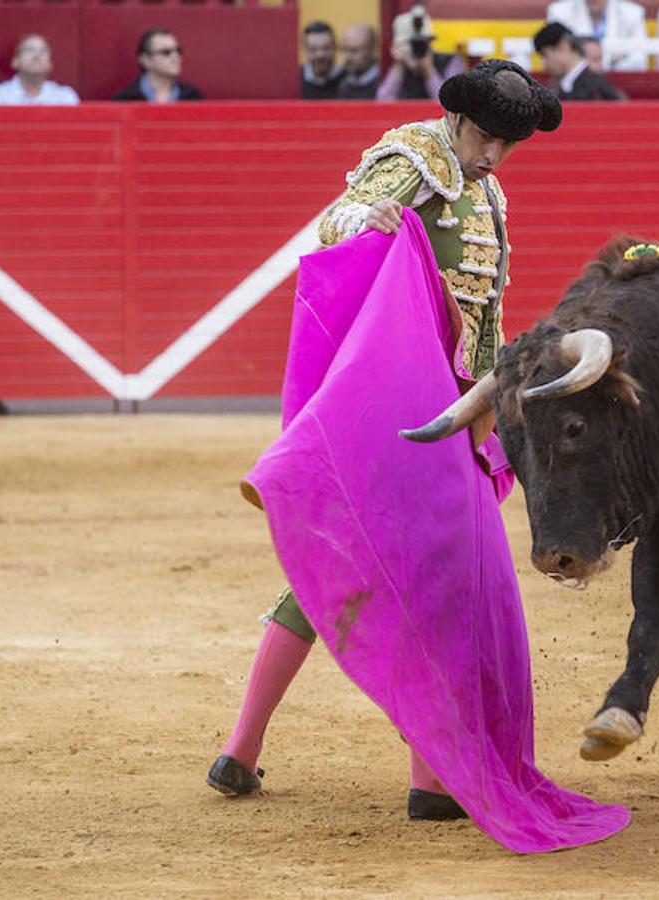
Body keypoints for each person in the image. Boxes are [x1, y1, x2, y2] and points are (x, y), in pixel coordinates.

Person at [208, 59, 563, 822]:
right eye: (486, 137)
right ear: (459, 120)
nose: (495, 155)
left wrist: (487, 400)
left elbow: (489, 307)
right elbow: (339, 225)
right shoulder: (415, 158)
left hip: (450, 402)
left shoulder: (488, 190)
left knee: (366, 564)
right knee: (434, 575)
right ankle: (427, 784)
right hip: (398, 399)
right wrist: (386, 238)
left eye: (509, 143)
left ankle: (241, 750)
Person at [377, 5, 466, 102]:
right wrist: (399, 66)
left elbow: (452, 104)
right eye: (411, 43)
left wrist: (429, 71)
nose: (416, 48)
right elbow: (382, 102)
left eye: (421, 43)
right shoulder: (398, 67)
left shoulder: (451, 61)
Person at [547, 0, 650, 71]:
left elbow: (639, 61)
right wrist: (615, 57)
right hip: (574, 89)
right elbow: (554, 58)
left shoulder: (633, 13)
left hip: (619, 83)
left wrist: (603, 61)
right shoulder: (559, 12)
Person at [534, 22, 626, 99]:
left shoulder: (596, 88)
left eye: (545, 55)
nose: (544, 63)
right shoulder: (562, 85)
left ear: (563, 47)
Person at [111, 29, 202, 102]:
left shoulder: (192, 97)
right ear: (145, 60)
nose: (176, 57)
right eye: (166, 52)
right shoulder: (125, 99)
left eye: (178, 51)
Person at [0, 34, 78, 105]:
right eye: (29, 50)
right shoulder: (1, 95)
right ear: (15, 61)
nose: (36, 56)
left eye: (43, 51)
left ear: (50, 64)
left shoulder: (64, 98)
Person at [335, 24, 381, 99]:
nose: (347, 57)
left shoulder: (384, 83)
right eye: (344, 50)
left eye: (354, 50)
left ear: (373, 50)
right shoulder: (340, 81)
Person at [300, 20, 343, 100]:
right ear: (304, 50)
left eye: (326, 48)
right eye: (313, 49)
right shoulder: (296, 79)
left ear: (335, 48)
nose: (320, 55)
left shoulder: (349, 78)